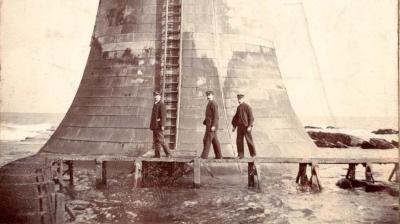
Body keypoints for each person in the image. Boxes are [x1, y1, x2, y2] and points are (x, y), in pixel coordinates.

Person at [231, 94, 256, 158]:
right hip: (240, 127)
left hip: (246, 127)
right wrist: (234, 126)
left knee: (249, 141)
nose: (239, 100)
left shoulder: (247, 107)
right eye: (238, 99)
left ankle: (253, 155)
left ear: (243, 99)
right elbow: (236, 117)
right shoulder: (238, 107)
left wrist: (250, 126)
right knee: (239, 141)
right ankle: (240, 155)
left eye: (240, 99)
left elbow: (251, 117)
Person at [201, 91, 222, 159]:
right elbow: (209, 115)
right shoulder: (209, 103)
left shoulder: (213, 103)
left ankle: (204, 156)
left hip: (211, 126)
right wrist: (205, 121)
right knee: (214, 140)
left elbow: (216, 116)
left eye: (209, 95)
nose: (208, 96)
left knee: (207, 140)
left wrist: (213, 125)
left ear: (213, 95)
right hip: (209, 125)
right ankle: (219, 156)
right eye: (207, 95)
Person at [150, 91, 171, 158]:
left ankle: (168, 153)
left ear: (160, 97)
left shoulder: (162, 105)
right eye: (155, 95)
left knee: (161, 140)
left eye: (157, 95)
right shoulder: (155, 104)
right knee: (156, 140)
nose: (156, 97)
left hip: (159, 125)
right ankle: (157, 155)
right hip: (154, 125)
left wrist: (162, 125)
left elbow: (163, 116)